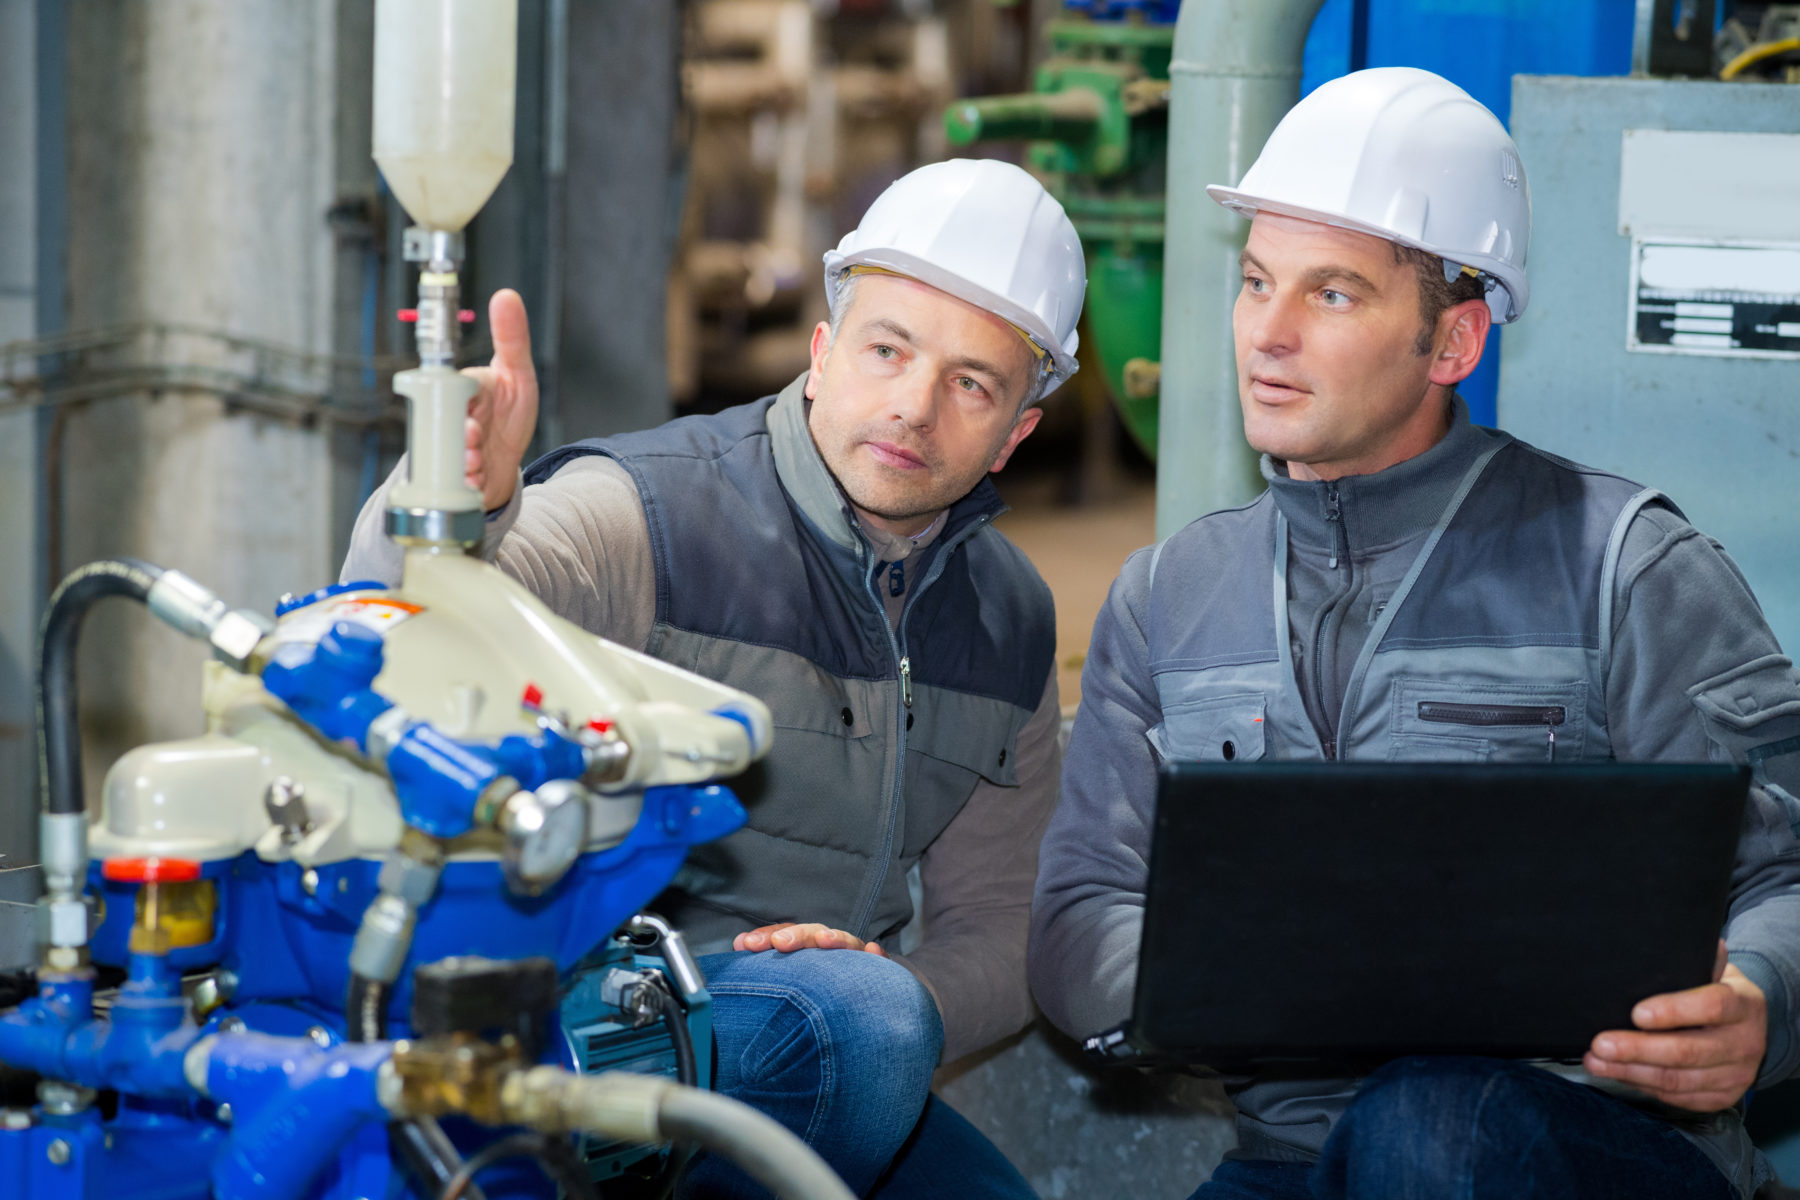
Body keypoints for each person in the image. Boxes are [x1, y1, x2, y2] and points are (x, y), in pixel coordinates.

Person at [1029, 67, 1800, 1200]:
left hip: (1590, 1149)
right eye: (1256, 283)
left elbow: (1786, 867)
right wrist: (1236, 972)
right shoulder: (1172, 594)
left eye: (1333, 295)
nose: (1268, 335)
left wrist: (1761, 1003)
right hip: (1293, 1162)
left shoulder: (1624, 567)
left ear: (1454, 342)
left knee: (1431, 1126)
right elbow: (1079, 913)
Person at [345, 158, 1080, 1198]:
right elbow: (392, 639)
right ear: (822, 355)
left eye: (972, 384)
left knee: (897, 1072)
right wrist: (450, 506)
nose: (914, 407)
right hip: (588, 1032)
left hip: (831, 1055)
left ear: (1017, 433)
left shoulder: (1006, 619)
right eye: (888, 349)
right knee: (862, 1037)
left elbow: (1007, 927)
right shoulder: (647, 515)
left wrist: (896, 989)